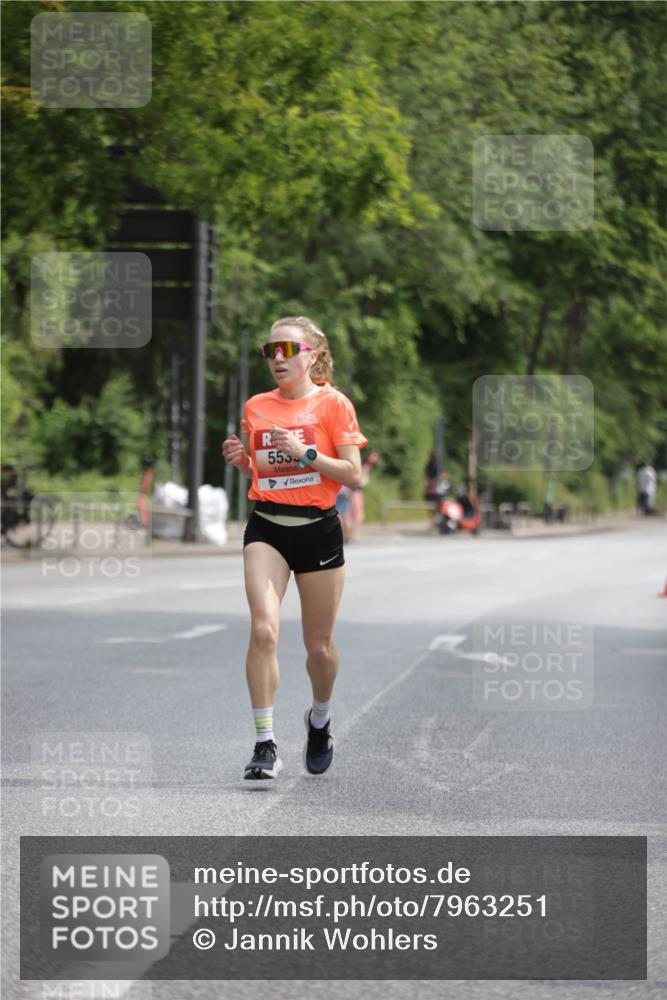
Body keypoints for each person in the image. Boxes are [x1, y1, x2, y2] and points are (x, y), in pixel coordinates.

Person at [222, 316, 367, 781]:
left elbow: (352, 474)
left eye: (288, 349)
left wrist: (306, 452)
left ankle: (319, 719)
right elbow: (265, 474)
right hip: (267, 527)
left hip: (318, 529)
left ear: (312, 353)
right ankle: (264, 744)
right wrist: (244, 462)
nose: (278, 359)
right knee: (263, 631)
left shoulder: (333, 404)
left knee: (318, 647)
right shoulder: (257, 406)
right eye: (270, 351)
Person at [337, 450, 380, 542]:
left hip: (350, 491)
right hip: (353, 492)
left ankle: (348, 535)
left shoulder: (362, 466)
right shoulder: (361, 466)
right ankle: (348, 535)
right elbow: (359, 481)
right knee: (350, 515)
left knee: (348, 515)